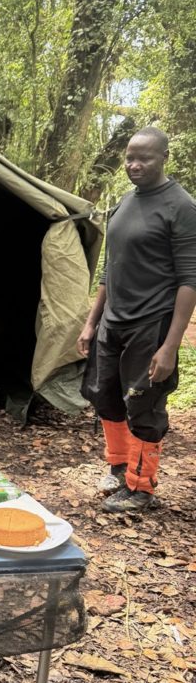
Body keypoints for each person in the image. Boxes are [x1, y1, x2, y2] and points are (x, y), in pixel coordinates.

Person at [78, 127, 196, 512]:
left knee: (143, 404)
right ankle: (118, 469)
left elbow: (189, 279)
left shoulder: (180, 207)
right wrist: (92, 322)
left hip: (152, 322)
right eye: (130, 157)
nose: (134, 164)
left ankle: (141, 488)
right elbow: (110, 269)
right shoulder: (125, 202)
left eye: (143, 157)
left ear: (164, 156)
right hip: (114, 321)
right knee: (105, 395)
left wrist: (170, 346)